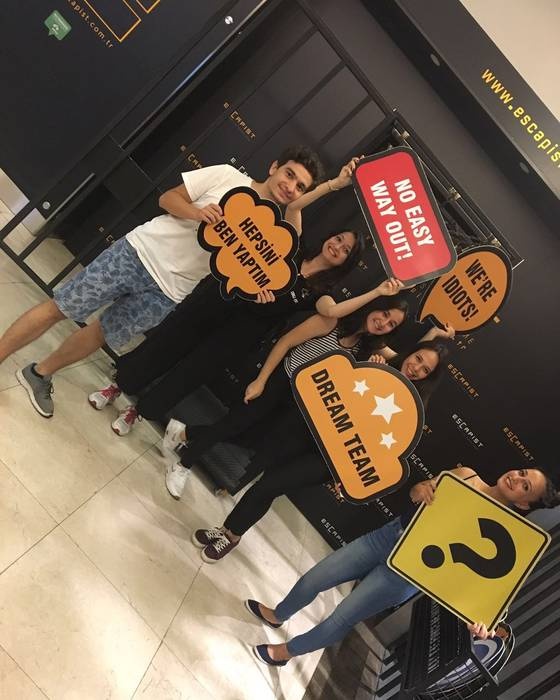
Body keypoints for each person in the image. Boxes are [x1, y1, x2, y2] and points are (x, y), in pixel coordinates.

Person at [1, 146, 324, 418]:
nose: (291, 187)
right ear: (274, 167)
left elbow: (254, 275)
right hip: (138, 253)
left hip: (169, 291)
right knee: (61, 307)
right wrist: (198, 214)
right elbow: (168, 199)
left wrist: (258, 292)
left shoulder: (273, 235)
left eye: (300, 187)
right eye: (290, 175)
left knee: (101, 333)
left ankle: (40, 373)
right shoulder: (228, 177)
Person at [88, 156, 380, 435]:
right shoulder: (294, 246)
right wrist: (335, 184)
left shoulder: (321, 290)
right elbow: (295, 206)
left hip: (241, 333)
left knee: (191, 374)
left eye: (345, 251)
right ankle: (119, 385)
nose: (337, 247)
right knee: (167, 340)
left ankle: (139, 412)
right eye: (338, 239)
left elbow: (331, 312)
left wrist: (380, 291)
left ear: (348, 262)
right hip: (219, 299)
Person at [242, 465, 559, 666]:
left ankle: (286, 652)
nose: (517, 478)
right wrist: (421, 490)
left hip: (405, 574)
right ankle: (277, 614)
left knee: (342, 616)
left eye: (525, 486)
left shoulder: (506, 539)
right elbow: (416, 491)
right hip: (386, 537)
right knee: (315, 578)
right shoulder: (466, 475)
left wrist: (478, 623)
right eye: (522, 472)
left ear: (523, 504)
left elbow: (482, 590)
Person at [190, 337, 452, 562]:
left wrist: (350, 478)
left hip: (329, 460)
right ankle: (226, 530)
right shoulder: (376, 364)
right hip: (305, 433)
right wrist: (369, 371)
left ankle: (232, 537)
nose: (416, 368)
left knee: (268, 486)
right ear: (410, 353)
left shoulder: (412, 411)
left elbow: (381, 453)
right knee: (264, 484)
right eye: (418, 358)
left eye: (425, 370)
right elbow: (334, 388)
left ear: (429, 378)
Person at [161, 279, 409, 499]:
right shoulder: (332, 320)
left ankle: (184, 432)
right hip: (280, 379)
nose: (384, 323)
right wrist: (261, 380)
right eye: (385, 313)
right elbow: (286, 342)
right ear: (375, 304)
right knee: (232, 424)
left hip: (300, 401)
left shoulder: (365, 347)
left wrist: (423, 343)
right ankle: (183, 464)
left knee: (251, 438)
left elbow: (406, 361)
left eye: (392, 324)